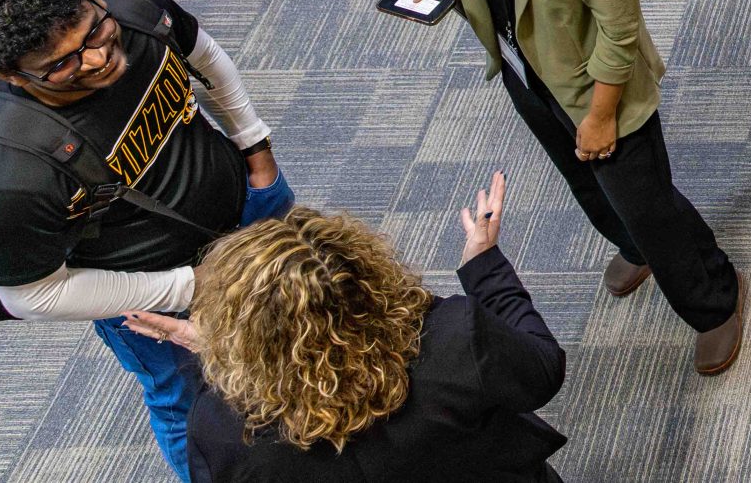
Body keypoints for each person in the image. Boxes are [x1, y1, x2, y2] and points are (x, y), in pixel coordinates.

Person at [432, 0, 746, 376]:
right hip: (531, 77)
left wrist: (600, 117)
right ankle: (633, 247)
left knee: (647, 205)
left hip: (599, 91)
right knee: (586, 186)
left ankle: (715, 299)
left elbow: (619, 32)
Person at [0, 0, 291, 480]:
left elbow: (207, 59)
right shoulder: (12, 175)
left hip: (252, 209)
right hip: (154, 294)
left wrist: (257, 153)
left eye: (94, 31)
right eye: (62, 64)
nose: (98, 58)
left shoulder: (137, 10)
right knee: (191, 403)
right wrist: (190, 286)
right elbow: (31, 297)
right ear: (8, 74)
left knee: (294, 334)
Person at [126, 174, 570, 482]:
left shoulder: (223, 430)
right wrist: (484, 266)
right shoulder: (456, 337)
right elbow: (544, 370)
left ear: (244, 329)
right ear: (368, 273)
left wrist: (226, 351)